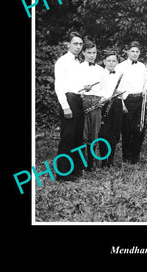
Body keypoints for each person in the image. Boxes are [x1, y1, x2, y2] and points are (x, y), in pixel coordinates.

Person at [54, 31, 85, 181]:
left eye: (80, 44)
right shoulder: (62, 61)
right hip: (69, 100)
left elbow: (75, 84)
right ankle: (63, 174)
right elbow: (59, 86)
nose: (78, 47)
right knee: (67, 137)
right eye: (75, 43)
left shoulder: (77, 62)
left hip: (78, 99)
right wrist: (65, 106)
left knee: (77, 137)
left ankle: (75, 170)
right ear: (68, 45)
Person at [115, 41, 147, 164]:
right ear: (127, 52)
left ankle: (135, 156)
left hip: (140, 99)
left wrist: (146, 90)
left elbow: (146, 82)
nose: (135, 54)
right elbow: (117, 88)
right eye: (132, 51)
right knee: (127, 130)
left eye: (137, 51)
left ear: (140, 53)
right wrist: (122, 104)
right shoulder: (120, 67)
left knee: (139, 129)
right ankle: (126, 156)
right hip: (126, 100)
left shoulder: (142, 66)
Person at [79, 40, 104, 171]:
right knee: (83, 133)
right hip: (83, 100)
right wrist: (83, 89)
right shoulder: (78, 68)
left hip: (96, 101)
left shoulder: (101, 70)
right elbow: (74, 87)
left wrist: (101, 99)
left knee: (94, 134)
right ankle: (82, 164)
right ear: (83, 53)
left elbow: (103, 88)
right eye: (89, 53)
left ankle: (90, 163)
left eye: (94, 53)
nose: (92, 55)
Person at [98, 50, 124, 167]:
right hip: (104, 104)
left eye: (114, 61)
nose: (111, 63)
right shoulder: (100, 73)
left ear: (117, 62)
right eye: (109, 61)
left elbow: (125, 90)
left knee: (114, 132)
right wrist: (104, 98)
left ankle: (111, 160)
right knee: (104, 133)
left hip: (117, 104)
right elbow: (98, 90)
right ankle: (104, 160)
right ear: (104, 62)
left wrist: (120, 93)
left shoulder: (120, 74)